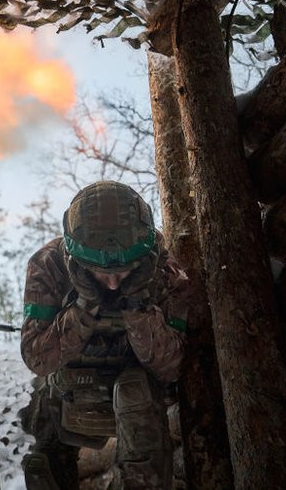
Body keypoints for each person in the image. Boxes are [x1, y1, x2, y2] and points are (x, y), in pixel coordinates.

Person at [19, 181, 189, 490]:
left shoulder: (162, 267)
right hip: (69, 382)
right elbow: (36, 357)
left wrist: (137, 308)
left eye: (123, 272)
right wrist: (83, 307)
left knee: (134, 393)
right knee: (43, 458)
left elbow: (172, 367)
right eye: (101, 273)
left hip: (138, 388)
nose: (112, 284)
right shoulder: (49, 265)